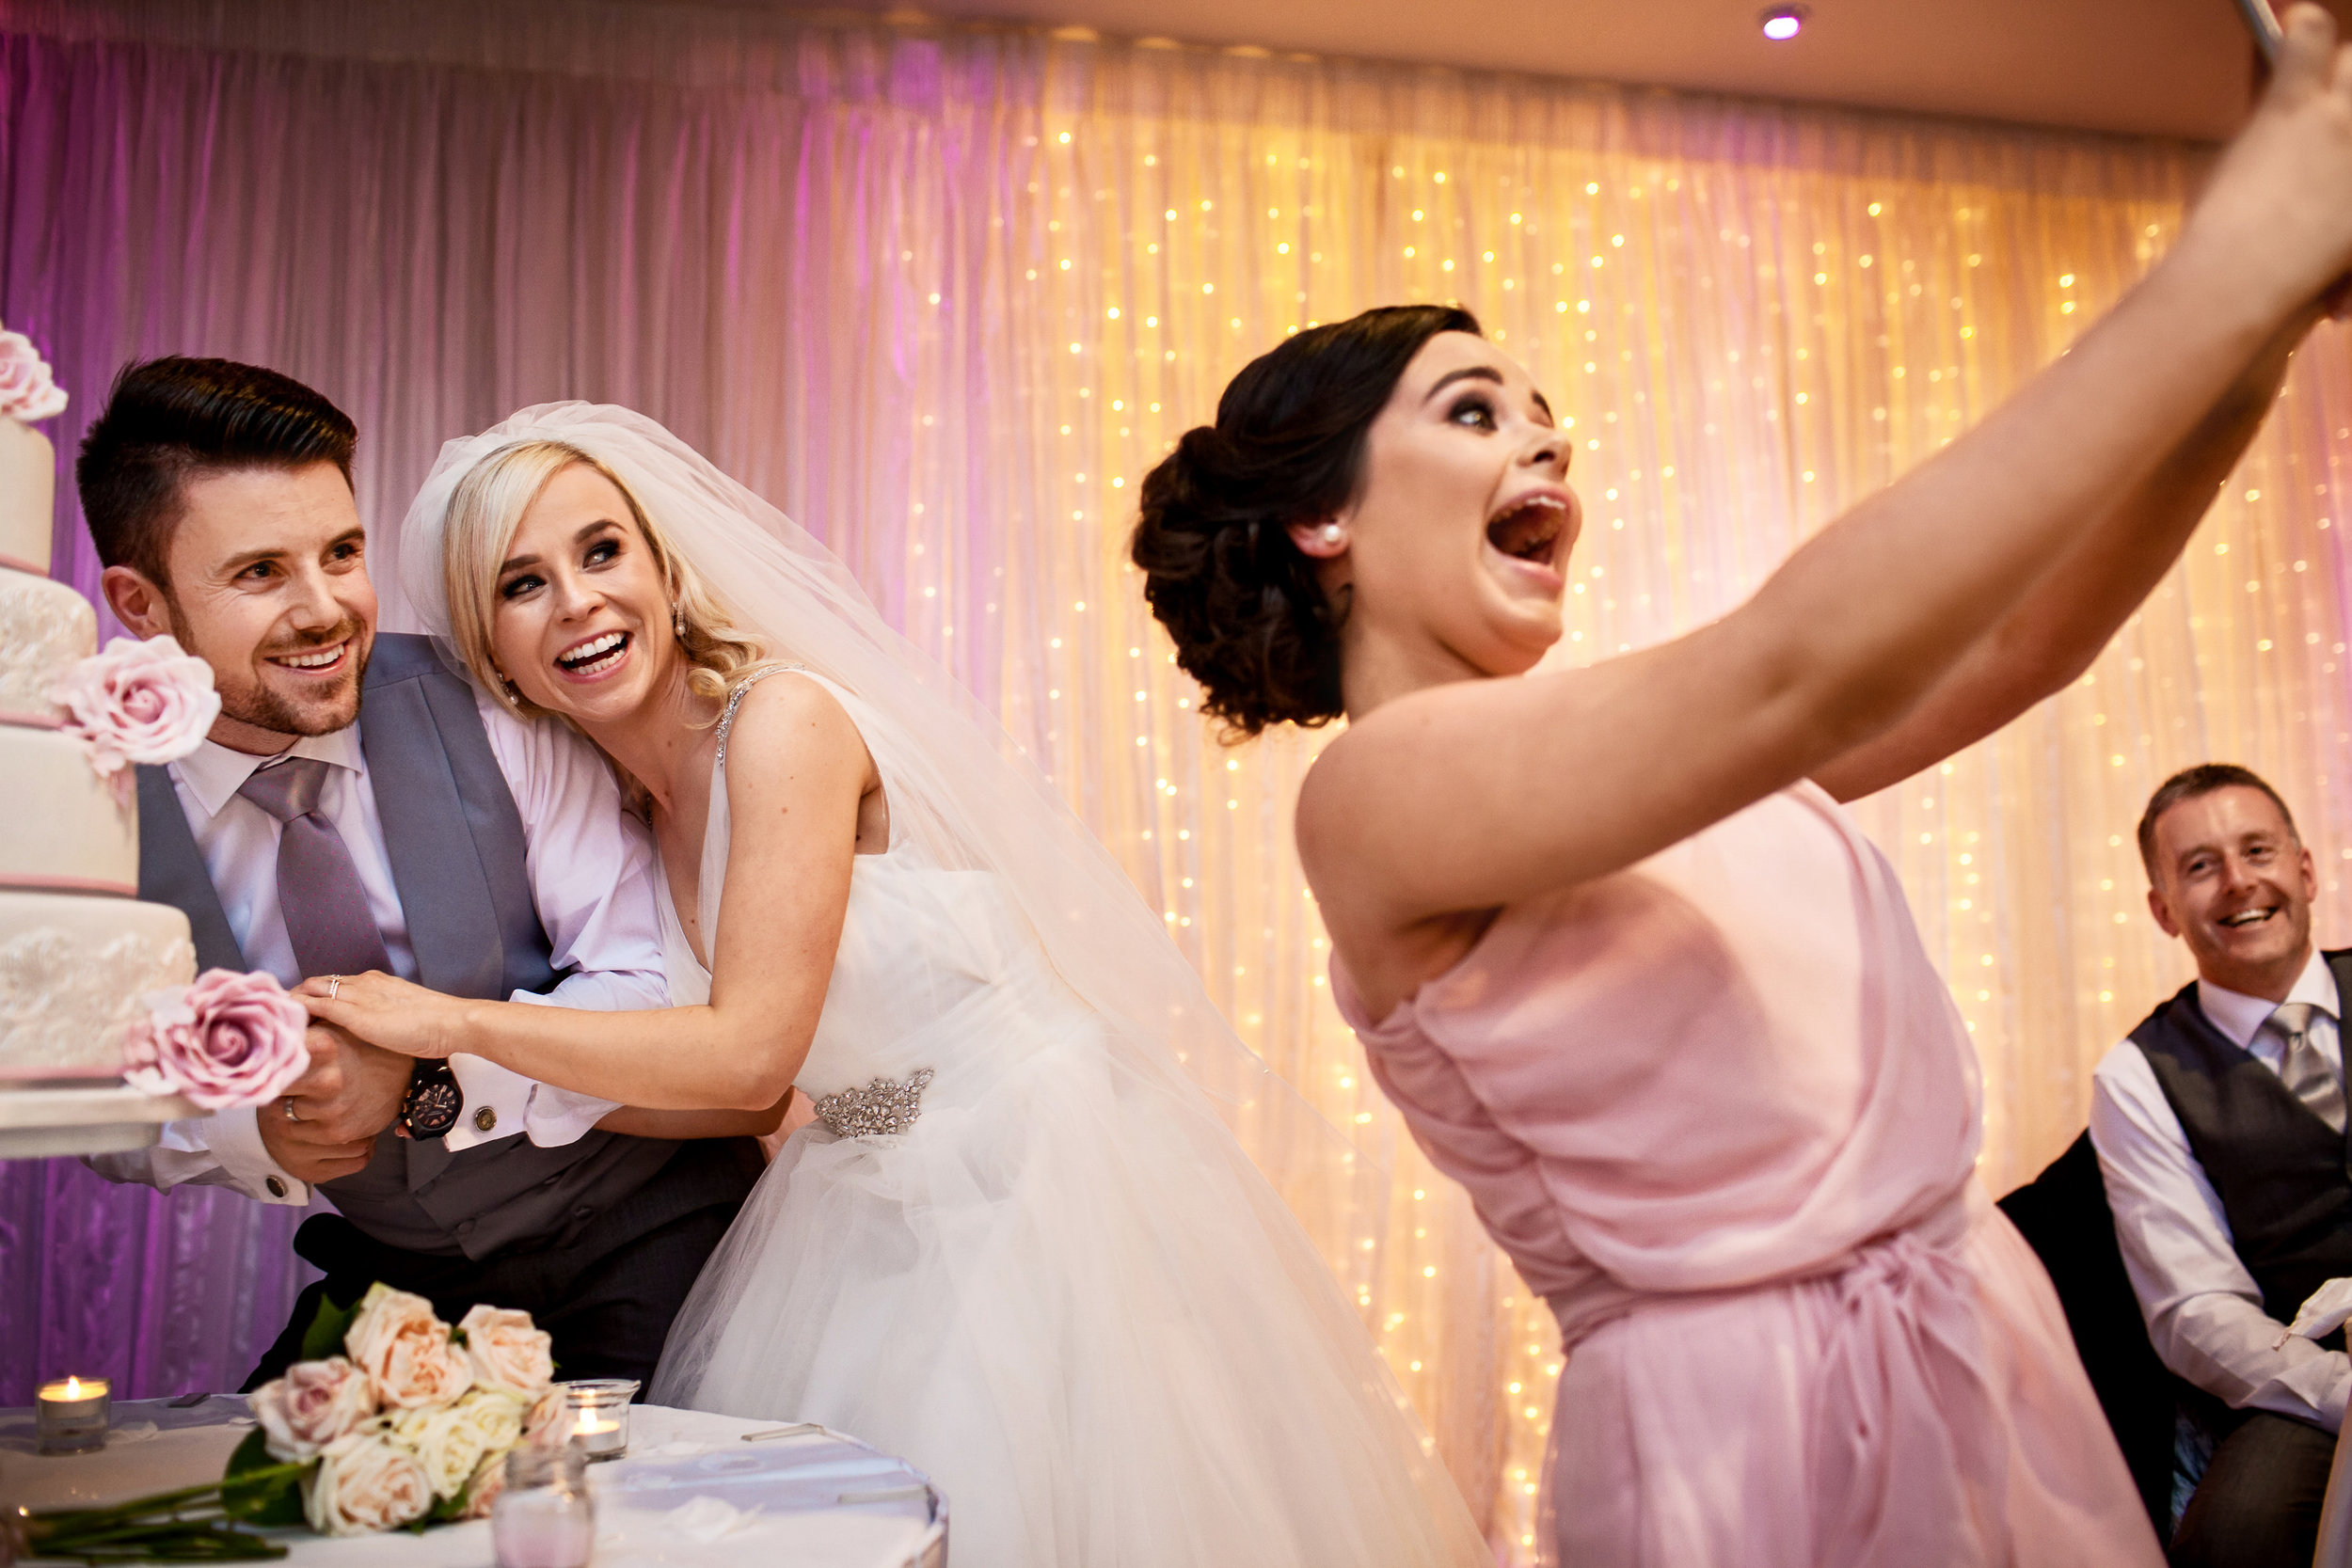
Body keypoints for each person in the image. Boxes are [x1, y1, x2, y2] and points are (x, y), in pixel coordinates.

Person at [1126, 10, 2352, 1563]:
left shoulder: (1646, 756)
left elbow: (2029, 640)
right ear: (1323, 520)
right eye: (1473, 409)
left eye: (1543, 412)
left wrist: (2265, 332)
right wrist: (2230, 251)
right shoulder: (1373, 797)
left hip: (1975, 1343)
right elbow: (1797, 664)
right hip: (1750, 1439)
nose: (1546, 437)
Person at [293, 403, 1489, 1568]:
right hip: (853, 1181)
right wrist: (435, 1085)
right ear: (490, 645)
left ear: (661, 565)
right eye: (522, 582)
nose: (579, 601)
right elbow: (744, 1105)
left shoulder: (782, 724)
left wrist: (446, 1021)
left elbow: (751, 1051)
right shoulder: (613, 809)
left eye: (601, 551)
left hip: (1028, 1177)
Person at [78, 357, 778, 1386]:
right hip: (398, 1272)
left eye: (342, 552)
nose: (326, 612)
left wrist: (428, 1080)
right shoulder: (88, 806)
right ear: (142, 603)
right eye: (260, 572)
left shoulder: (493, 709)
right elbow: (86, 1085)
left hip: (645, 1228)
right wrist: (251, 1123)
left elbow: (645, 979)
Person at [2091, 765, 2351, 1568]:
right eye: (2200, 866)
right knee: (2235, 1537)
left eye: (2258, 850)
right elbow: (2195, 1307)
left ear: (2304, 869)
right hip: (2310, 1374)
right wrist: (2341, 1392)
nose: (2241, 882)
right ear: (2164, 909)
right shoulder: (2136, 1075)